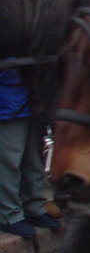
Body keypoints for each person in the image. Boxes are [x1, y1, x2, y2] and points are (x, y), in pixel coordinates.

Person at [1, 65, 60, 238]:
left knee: (33, 159)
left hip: (30, 100)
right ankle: (9, 216)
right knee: (9, 162)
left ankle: (35, 207)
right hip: (7, 103)